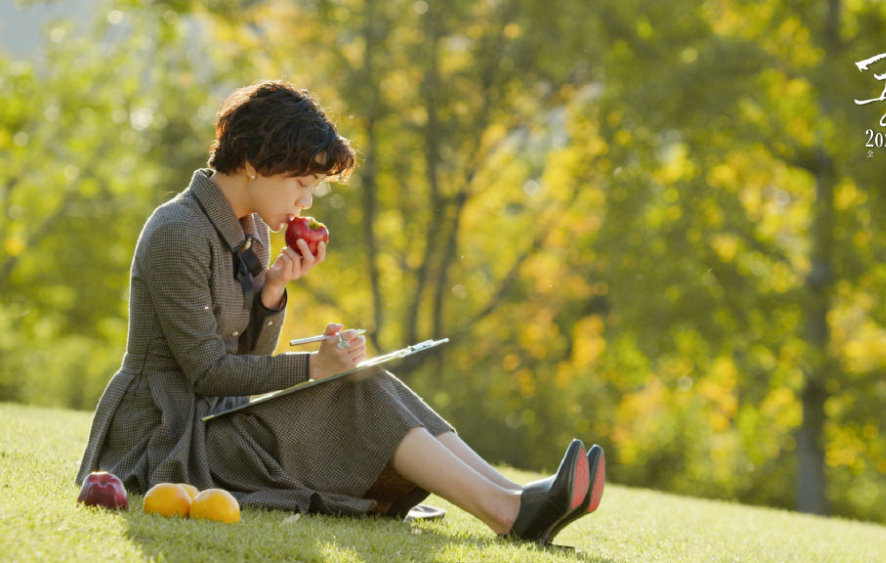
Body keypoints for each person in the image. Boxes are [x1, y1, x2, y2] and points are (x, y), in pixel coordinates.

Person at [75, 80, 604, 544]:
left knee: (366, 379)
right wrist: (316, 368)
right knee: (353, 388)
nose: (307, 202)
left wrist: (273, 291)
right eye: (302, 184)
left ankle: (512, 495)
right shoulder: (177, 232)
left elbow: (246, 358)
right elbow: (208, 372)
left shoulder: (252, 229)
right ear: (258, 164)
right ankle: (509, 511)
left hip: (215, 420)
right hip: (164, 443)